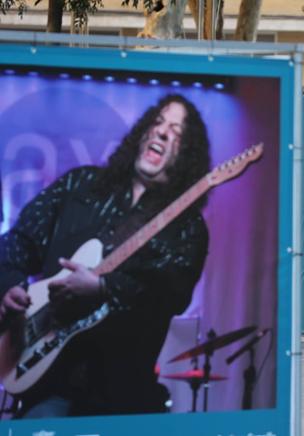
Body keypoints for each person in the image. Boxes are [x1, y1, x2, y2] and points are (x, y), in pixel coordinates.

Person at [0, 94, 211, 417]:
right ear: (142, 133)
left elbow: (171, 294)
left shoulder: (186, 228)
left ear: (186, 157)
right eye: (157, 123)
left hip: (122, 396)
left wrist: (104, 289)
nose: (163, 132)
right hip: (47, 386)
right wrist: (10, 286)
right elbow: (17, 243)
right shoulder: (79, 185)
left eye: (177, 133)